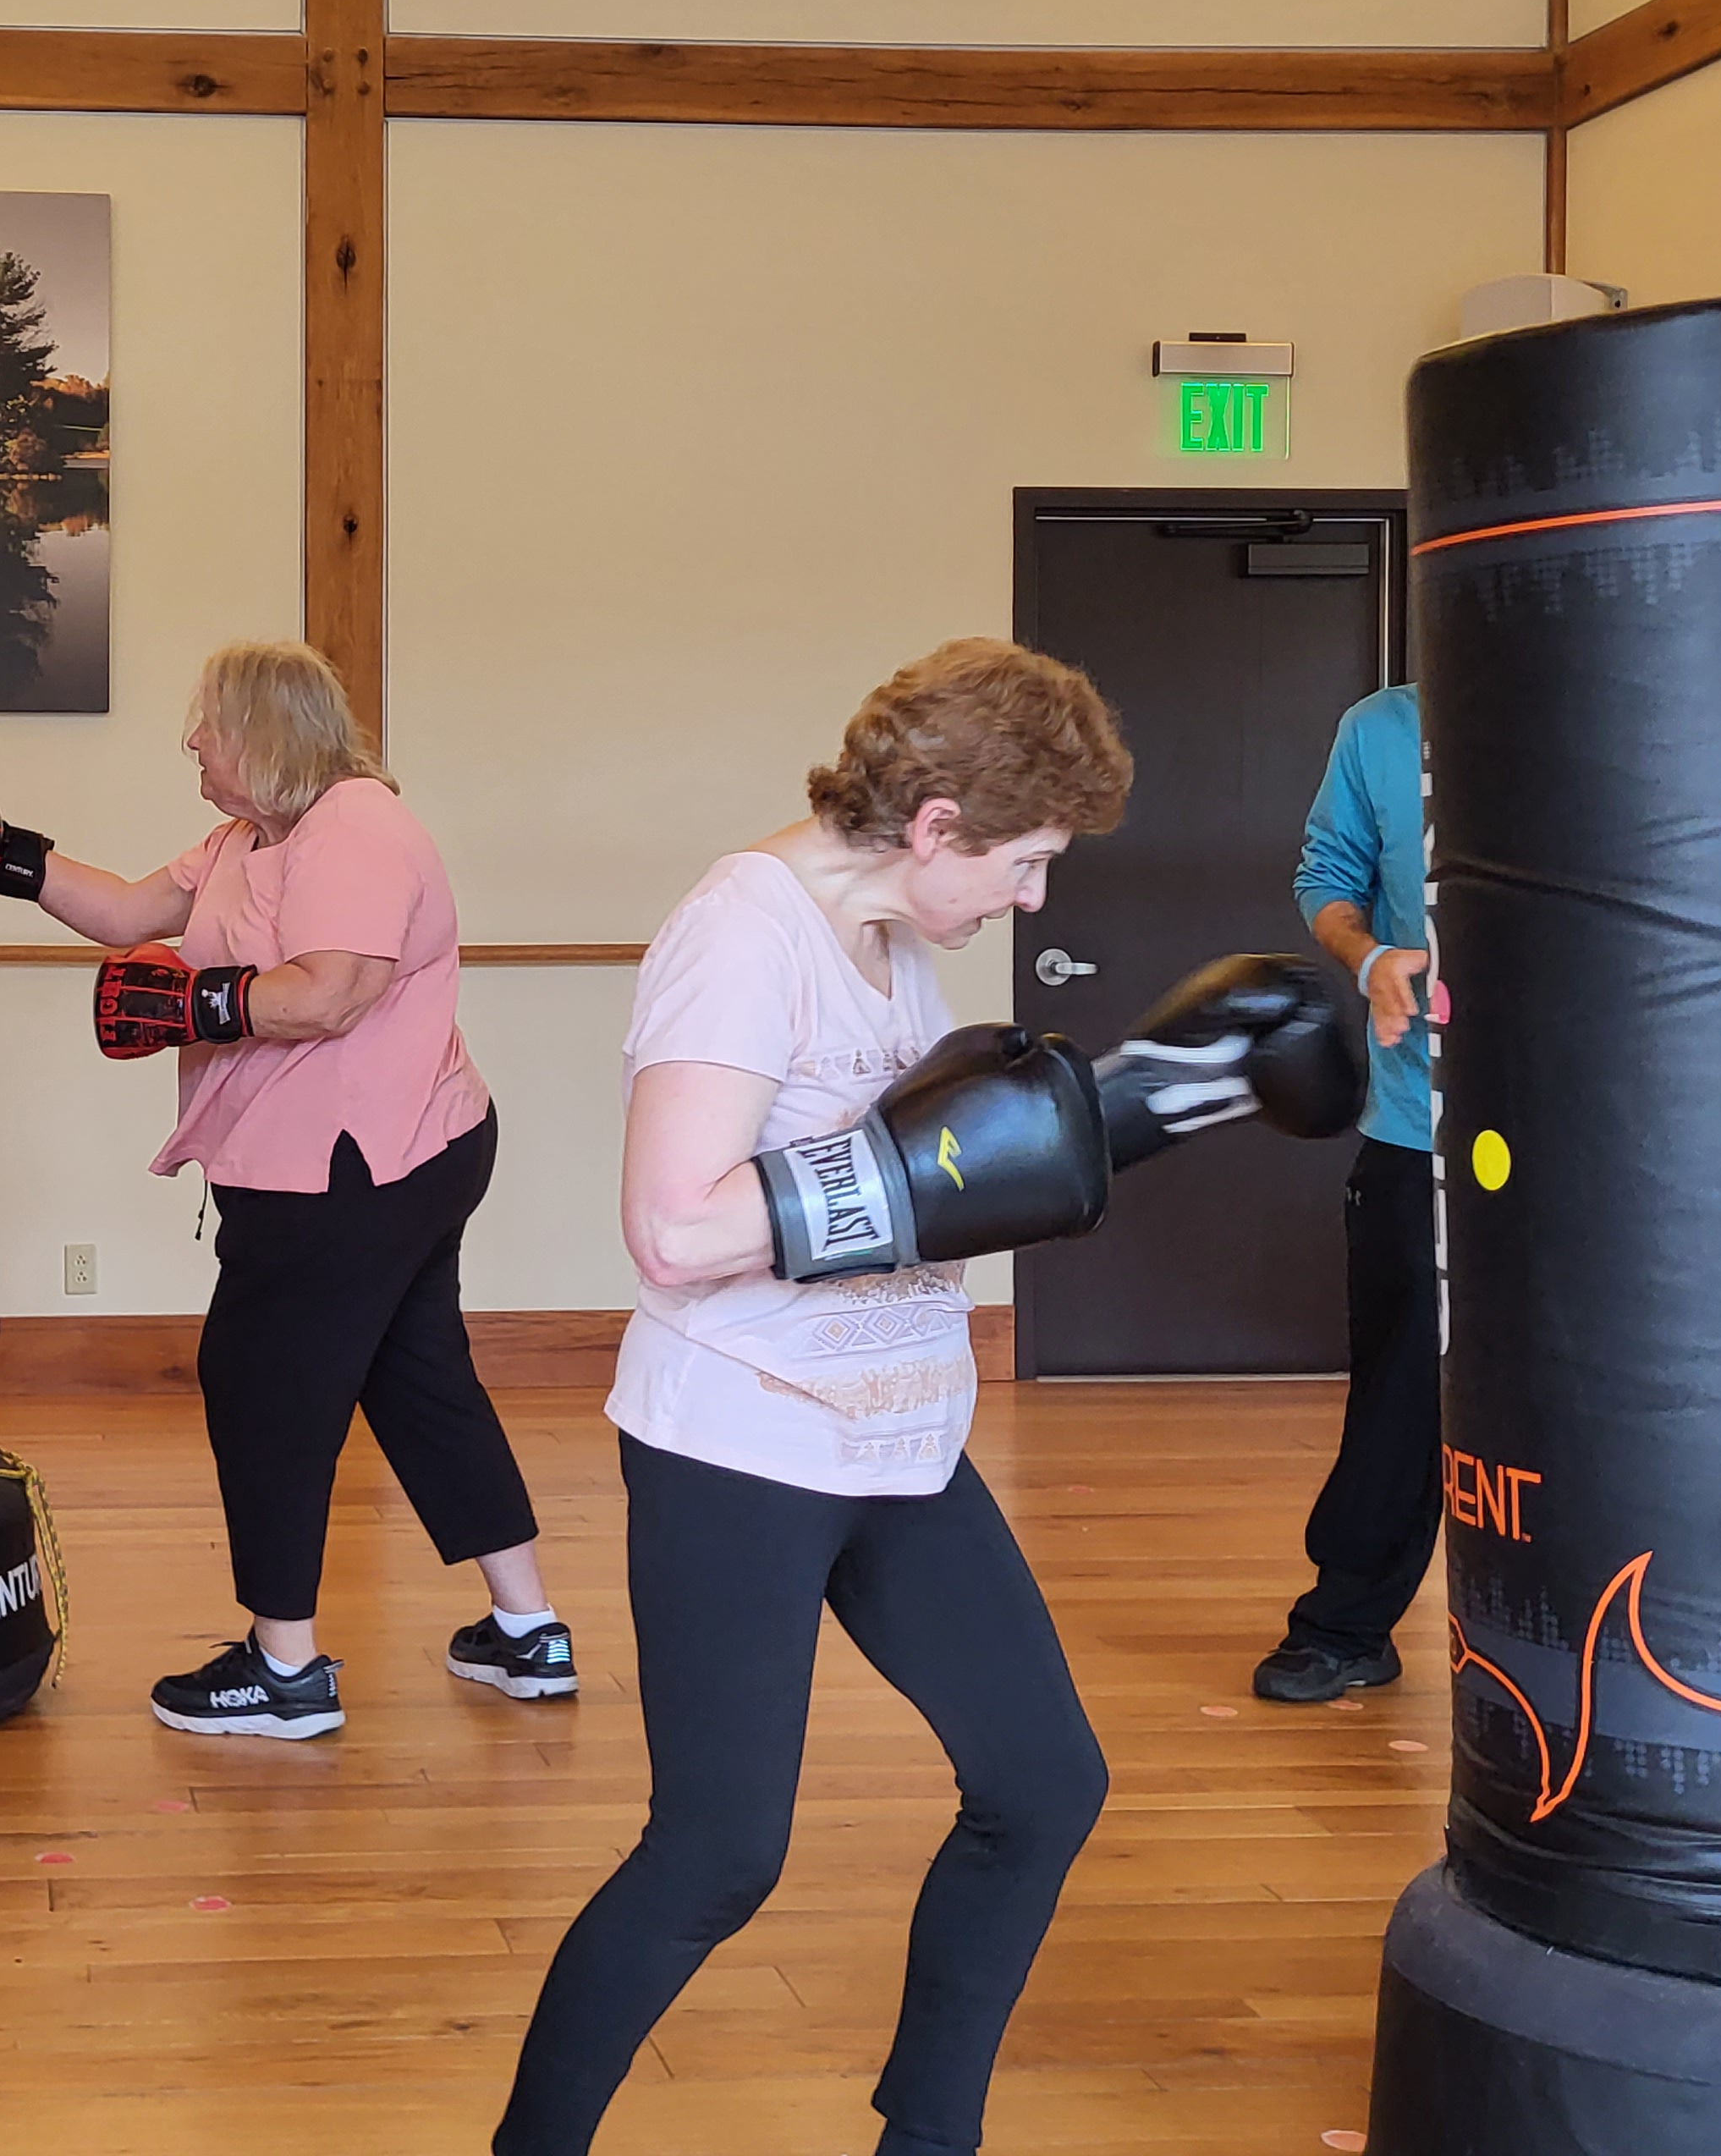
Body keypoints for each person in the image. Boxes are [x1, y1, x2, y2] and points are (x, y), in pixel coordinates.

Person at [494, 637, 1356, 2156]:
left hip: (899, 1436)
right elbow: (674, 1227)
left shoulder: (896, 938)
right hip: (741, 1441)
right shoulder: (743, 934)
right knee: (715, 1855)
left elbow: (955, 1174)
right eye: (1024, 862)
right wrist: (911, 1168)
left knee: (1042, 1783)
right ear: (938, 821)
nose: (1035, 899)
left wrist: (1152, 1096)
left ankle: (928, 2138)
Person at [0, 641, 569, 1740]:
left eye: (210, 724)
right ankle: (528, 1631)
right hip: (383, 1154)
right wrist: (6, 857)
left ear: (270, 732)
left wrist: (199, 1009)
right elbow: (127, 912)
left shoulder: (358, 829)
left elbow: (332, 992)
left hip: (350, 1165)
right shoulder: (253, 837)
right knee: (417, 1372)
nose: (192, 740)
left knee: (263, 1383)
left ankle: (285, 1667)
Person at [1254, 680, 1435, 1705]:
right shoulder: (1379, 729)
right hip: (1418, 1124)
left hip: (1605, 1138)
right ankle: (1346, 1626)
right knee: (1402, 1385)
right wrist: (1366, 959)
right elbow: (1326, 875)